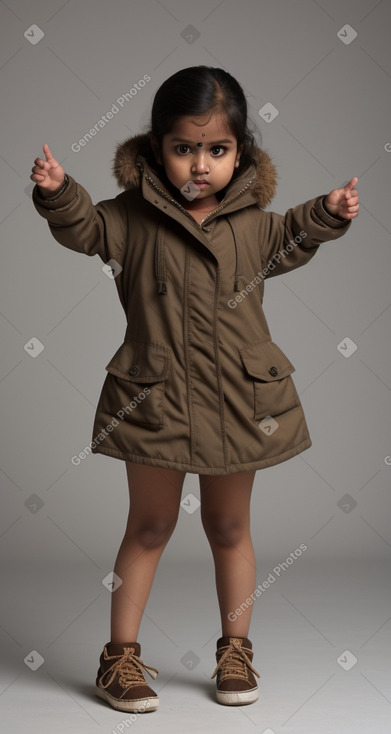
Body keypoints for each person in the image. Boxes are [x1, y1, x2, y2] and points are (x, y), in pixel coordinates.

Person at [31, 65, 359, 714]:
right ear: (157, 149)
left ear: (241, 153)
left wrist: (327, 212)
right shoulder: (129, 218)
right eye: (183, 149)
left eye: (217, 149)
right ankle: (118, 659)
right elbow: (84, 230)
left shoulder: (255, 225)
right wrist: (59, 193)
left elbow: (295, 234)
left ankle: (234, 650)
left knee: (229, 524)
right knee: (149, 524)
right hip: (153, 398)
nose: (199, 165)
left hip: (237, 402)